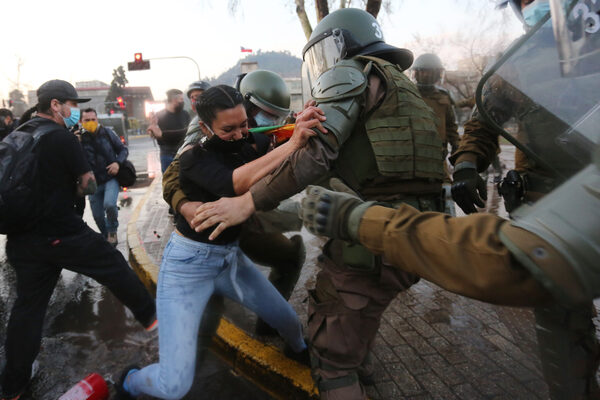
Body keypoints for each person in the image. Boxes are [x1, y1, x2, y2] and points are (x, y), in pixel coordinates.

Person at [190, 8, 446, 399]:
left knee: (330, 355)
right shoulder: (404, 89)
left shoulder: (349, 73)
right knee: (362, 309)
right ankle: (359, 362)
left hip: (369, 234)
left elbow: (317, 155)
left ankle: (346, 365)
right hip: (416, 231)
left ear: (339, 44)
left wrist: (250, 202)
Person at [116, 85, 324, 400]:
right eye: (229, 129)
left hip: (230, 261)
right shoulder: (192, 157)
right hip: (188, 268)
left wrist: (300, 122)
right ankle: (130, 381)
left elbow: (273, 138)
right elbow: (235, 182)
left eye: (244, 124)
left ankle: (298, 350)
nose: (241, 134)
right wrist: (294, 141)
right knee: (174, 386)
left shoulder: (245, 139)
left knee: (289, 323)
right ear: (204, 127)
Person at [448, 0, 600, 398]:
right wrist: (466, 164)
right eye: (521, 2)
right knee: (562, 324)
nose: (529, 8)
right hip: (550, 211)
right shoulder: (520, 60)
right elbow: (484, 121)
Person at [0, 80, 156, 400]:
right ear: (55, 105)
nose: (75, 110)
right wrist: (72, 183)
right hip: (61, 233)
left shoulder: (20, 132)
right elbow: (87, 186)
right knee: (113, 263)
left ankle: (12, 387)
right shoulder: (61, 137)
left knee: (27, 310)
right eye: (71, 104)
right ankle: (154, 321)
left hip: (21, 240)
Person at [162, 70, 307, 337]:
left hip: (242, 217)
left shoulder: (254, 126)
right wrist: (185, 206)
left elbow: (268, 148)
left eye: (277, 116)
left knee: (290, 255)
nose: (272, 121)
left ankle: (270, 326)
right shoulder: (205, 129)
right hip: (210, 227)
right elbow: (172, 175)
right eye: (267, 114)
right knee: (206, 316)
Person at [79, 108, 128, 245]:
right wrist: (75, 142)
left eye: (93, 119)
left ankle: (112, 230)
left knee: (110, 205)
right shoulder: (78, 138)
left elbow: (123, 149)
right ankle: (108, 237)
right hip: (92, 183)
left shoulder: (107, 133)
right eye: (86, 120)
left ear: (97, 120)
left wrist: (117, 163)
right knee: (98, 216)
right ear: (81, 121)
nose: (90, 122)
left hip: (109, 178)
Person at [147, 89, 190, 173]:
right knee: (170, 183)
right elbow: (152, 134)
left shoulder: (185, 114)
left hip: (183, 152)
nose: (183, 102)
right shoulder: (159, 115)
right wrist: (152, 126)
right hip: (167, 154)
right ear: (174, 100)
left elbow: (188, 132)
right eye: (181, 99)